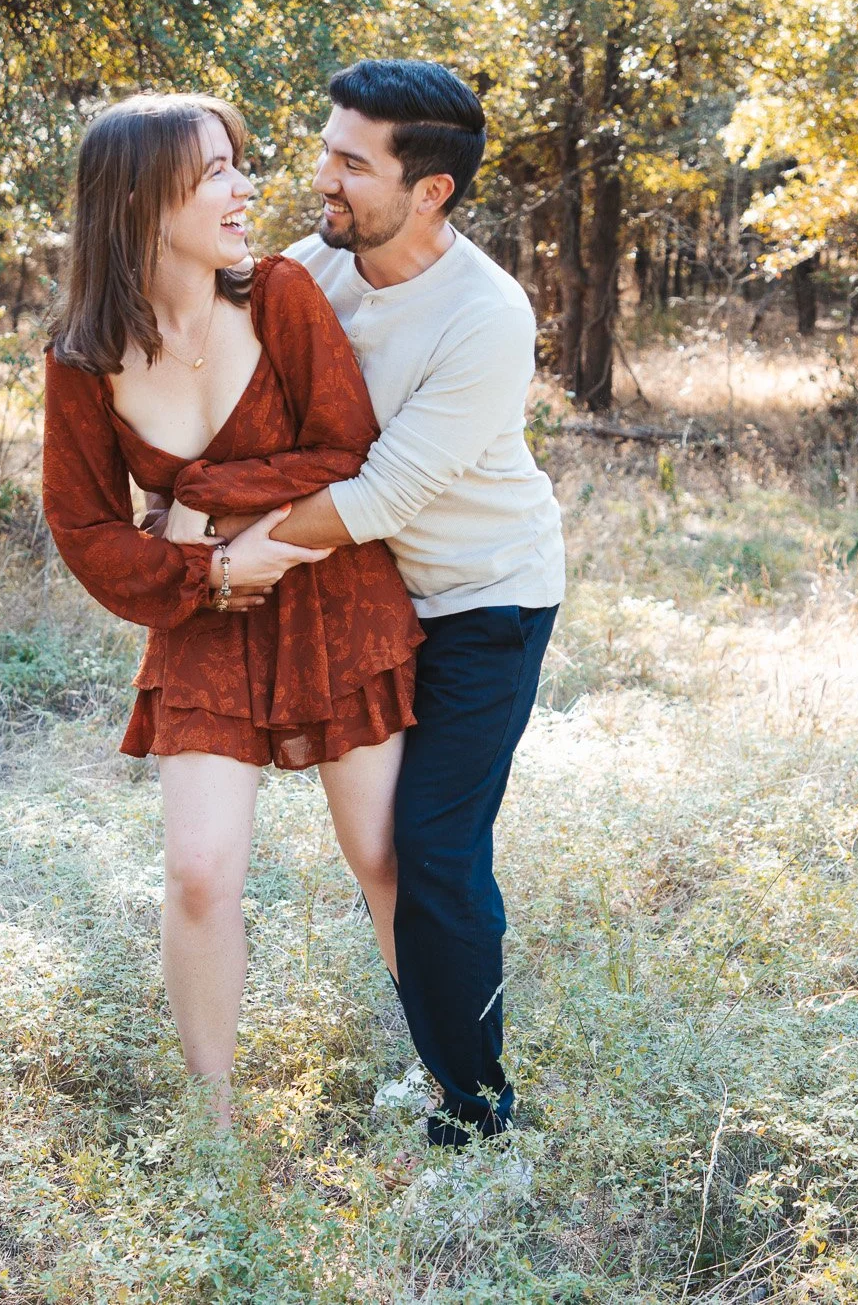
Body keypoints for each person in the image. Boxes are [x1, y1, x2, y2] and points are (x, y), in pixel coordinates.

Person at [179, 61, 566, 1146]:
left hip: (487, 600)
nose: (323, 177)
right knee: (382, 854)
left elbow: (382, 492)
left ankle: (480, 1114)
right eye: (326, 149)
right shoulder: (314, 266)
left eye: (352, 162)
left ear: (429, 189)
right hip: (373, 597)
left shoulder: (484, 316)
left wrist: (238, 555)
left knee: (436, 850)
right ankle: (447, 1061)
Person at [39, 93, 425, 1125]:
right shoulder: (81, 357)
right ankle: (213, 1136)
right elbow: (86, 532)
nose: (243, 189)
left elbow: (347, 452)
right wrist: (205, 576)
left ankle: (454, 1087)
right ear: (136, 196)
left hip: (333, 597)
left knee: (383, 857)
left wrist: (203, 501)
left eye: (235, 166)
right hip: (201, 622)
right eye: (213, 172)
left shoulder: (281, 296)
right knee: (200, 875)